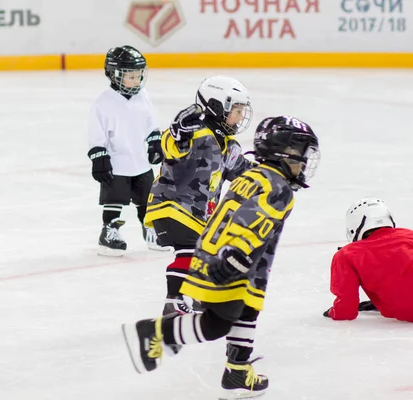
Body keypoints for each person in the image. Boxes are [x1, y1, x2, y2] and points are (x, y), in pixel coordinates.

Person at [123, 116, 321, 399]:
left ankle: (237, 371)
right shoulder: (279, 188)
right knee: (216, 324)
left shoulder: (252, 176)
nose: (303, 162)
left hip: (218, 257)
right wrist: (234, 258)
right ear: (283, 153)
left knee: (247, 310)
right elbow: (249, 220)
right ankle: (155, 333)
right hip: (231, 263)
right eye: (300, 154)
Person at [143, 76, 256, 314]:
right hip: (172, 206)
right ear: (216, 106)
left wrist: (269, 174)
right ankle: (174, 300)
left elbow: (244, 172)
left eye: (241, 110)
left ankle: (198, 298)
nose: (239, 116)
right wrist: (177, 134)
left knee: (208, 255)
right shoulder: (196, 133)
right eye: (235, 110)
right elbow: (170, 148)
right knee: (190, 252)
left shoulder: (230, 146)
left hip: (199, 216)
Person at [87, 45, 169, 256]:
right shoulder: (103, 103)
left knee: (147, 199)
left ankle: (150, 229)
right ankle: (109, 232)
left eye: (138, 75)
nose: (137, 81)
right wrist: (99, 157)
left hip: (140, 162)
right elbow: (97, 135)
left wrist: (154, 142)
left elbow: (151, 124)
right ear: (114, 75)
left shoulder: (143, 96)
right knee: (114, 199)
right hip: (117, 163)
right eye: (130, 76)